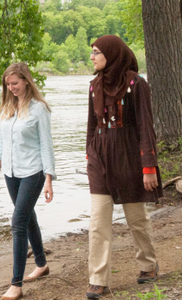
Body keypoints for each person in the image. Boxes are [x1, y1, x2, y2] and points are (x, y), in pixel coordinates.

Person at [85, 35, 163, 299]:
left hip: (129, 156)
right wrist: (89, 155)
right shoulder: (94, 86)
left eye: (96, 52)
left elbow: (145, 126)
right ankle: (98, 279)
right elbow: (91, 126)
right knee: (98, 221)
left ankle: (148, 265)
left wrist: (149, 165)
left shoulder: (136, 84)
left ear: (112, 54)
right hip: (101, 158)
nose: (92, 57)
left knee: (137, 219)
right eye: (92, 52)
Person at [0, 62, 56, 300]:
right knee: (27, 217)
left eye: (15, 83)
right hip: (10, 172)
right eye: (8, 84)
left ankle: (16, 285)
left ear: (26, 81)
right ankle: (42, 264)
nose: (11, 88)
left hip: (33, 171)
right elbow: (1, 141)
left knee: (18, 222)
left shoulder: (39, 109)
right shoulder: (7, 107)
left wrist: (49, 178)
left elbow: (46, 146)